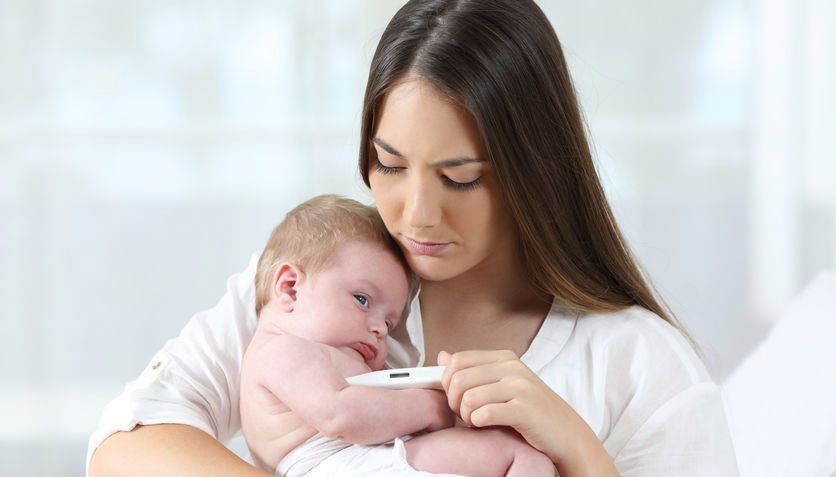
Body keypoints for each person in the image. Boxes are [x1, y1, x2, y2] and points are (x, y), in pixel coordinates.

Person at [88, 1, 739, 476]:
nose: (417, 215)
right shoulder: (324, 286)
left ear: (533, 171)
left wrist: (578, 449)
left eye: (460, 178)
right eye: (390, 165)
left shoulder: (639, 362)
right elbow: (123, 447)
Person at [241, 194, 554, 476]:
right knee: (515, 455)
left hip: (371, 456)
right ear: (290, 288)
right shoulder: (278, 351)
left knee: (521, 455)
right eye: (362, 299)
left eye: (389, 323)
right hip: (333, 464)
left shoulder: (325, 351)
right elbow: (340, 416)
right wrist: (431, 407)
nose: (380, 330)